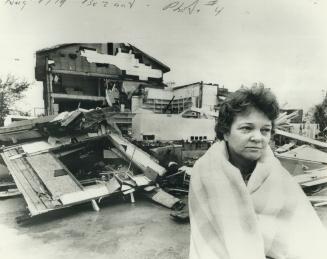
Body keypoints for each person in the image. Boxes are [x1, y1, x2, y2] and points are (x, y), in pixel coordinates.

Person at [189, 85, 327, 259]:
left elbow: (305, 236)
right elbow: (207, 240)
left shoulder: (277, 174)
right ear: (225, 131)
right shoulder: (205, 172)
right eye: (246, 128)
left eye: (265, 130)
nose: (258, 137)